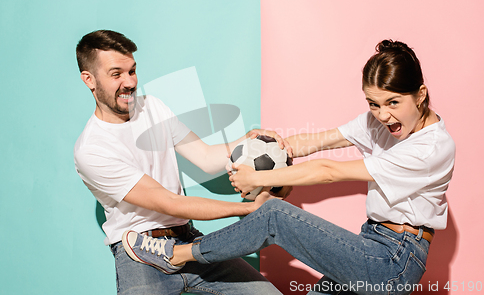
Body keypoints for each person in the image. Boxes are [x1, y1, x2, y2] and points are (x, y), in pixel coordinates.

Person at [123, 39, 456, 295]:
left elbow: (330, 171)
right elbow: (320, 141)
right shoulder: (379, 122)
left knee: (274, 214)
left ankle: (178, 254)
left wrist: (260, 176)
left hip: (393, 262)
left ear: (421, 95)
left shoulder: (431, 147)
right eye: (374, 104)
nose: (383, 116)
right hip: (369, 244)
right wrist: (269, 142)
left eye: (393, 103)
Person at [73, 29, 290, 295]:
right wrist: (250, 209)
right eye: (116, 74)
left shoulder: (152, 106)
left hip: (187, 241)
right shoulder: (92, 149)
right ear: (89, 80)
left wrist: (246, 141)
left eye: (132, 71)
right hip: (139, 255)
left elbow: (207, 158)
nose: (129, 82)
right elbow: (170, 202)